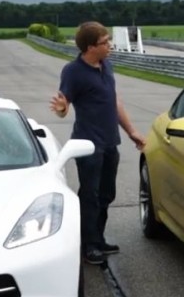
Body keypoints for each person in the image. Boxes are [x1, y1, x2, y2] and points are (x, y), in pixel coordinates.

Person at [50, 22, 146, 266]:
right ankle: (88, 244)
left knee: (106, 194)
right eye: (105, 42)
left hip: (110, 142)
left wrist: (132, 131)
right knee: (89, 196)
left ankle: (98, 238)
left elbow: (114, 102)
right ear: (91, 47)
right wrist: (62, 109)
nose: (110, 45)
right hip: (87, 145)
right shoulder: (73, 71)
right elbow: (64, 105)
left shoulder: (107, 66)